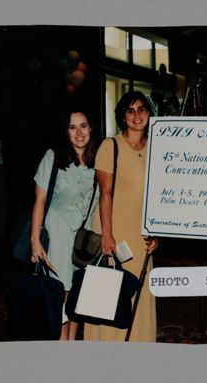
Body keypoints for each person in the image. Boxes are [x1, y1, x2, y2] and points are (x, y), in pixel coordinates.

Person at [83, 91, 158, 342]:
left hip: (142, 233)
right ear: (123, 117)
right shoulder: (110, 146)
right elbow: (106, 195)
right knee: (109, 292)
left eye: (142, 109)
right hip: (114, 229)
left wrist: (156, 232)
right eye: (130, 110)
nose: (137, 115)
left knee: (138, 292)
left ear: (149, 113)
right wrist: (107, 235)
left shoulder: (157, 149)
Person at [30, 108, 99, 340]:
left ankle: (70, 343)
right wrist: (35, 241)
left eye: (83, 126)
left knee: (77, 293)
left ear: (91, 128)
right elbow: (39, 200)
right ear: (65, 131)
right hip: (58, 234)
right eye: (72, 127)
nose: (79, 132)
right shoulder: (53, 157)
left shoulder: (100, 160)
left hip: (84, 241)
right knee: (60, 293)